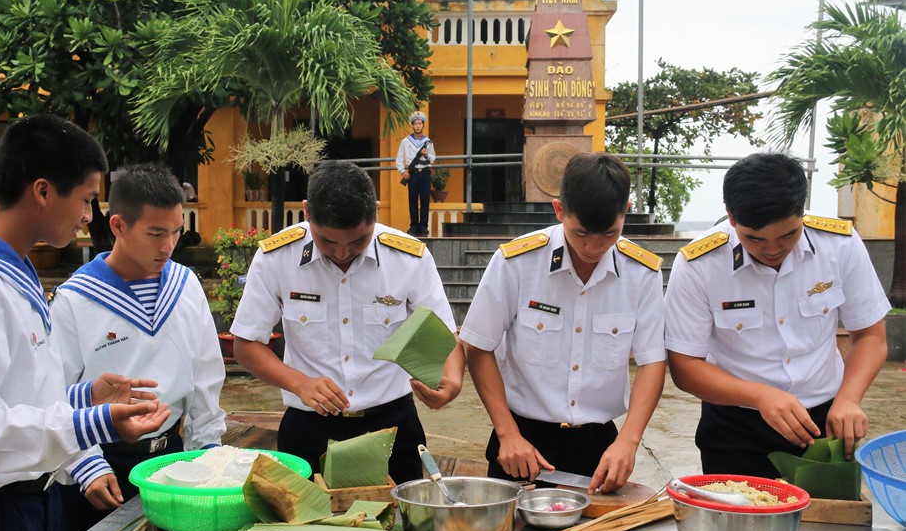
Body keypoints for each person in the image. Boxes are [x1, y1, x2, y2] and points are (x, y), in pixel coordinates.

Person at [0, 114, 171, 531]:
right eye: (84, 199)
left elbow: (15, 393)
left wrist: (84, 397)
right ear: (42, 191)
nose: (88, 215)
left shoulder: (12, 274)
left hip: (27, 508)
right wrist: (97, 423)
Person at [231, 160, 464, 483]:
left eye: (358, 241)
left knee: (402, 525)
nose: (342, 253)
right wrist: (300, 383)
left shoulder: (408, 258)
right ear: (307, 212)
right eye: (328, 242)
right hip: (308, 426)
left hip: (392, 425)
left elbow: (444, 334)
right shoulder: (277, 257)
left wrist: (452, 381)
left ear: (376, 214)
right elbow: (246, 345)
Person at [665, 152, 890, 477]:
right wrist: (760, 395)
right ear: (730, 216)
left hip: (826, 422)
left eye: (788, 235)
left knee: (829, 524)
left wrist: (849, 399)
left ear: (801, 211)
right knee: (739, 523)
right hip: (735, 427)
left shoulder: (838, 244)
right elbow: (685, 367)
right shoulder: (700, 263)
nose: (772, 249)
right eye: (754, 238)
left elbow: (870, 335)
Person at [459, 153, 666, 493]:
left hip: (599, 448)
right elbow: (479, 348)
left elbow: (652, 361)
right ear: (558, 211)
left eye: (609, 234)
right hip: (521, 443)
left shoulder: (642, 273)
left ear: (625, 210)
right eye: (581, 232)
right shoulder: (517, 263)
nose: (593, 247)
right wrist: (507, 433)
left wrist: (629, 440)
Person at [52, 164, 226, 531]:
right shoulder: (75, 298)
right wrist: (85, 463)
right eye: (155, 233)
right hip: (103, 464)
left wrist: (208, 452)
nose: (168, 245)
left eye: (177, 231)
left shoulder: (185, 285)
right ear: (117, 226)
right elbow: (53, 394)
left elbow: (206, 378)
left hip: (173, 461)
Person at [395, 111, 436, 237]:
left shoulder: (428, 141)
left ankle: (423, 226)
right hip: (412, 174)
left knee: (425, 200)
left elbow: (433, 158)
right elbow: (399, 159)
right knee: (412, 200)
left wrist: (426, 154)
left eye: (420, 123)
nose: (418, 126)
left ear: (423, 125)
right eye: (415, 123)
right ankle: (413, 225)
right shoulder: (405, 142)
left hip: (424, 173)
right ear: (412, 126)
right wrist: (403, 172)